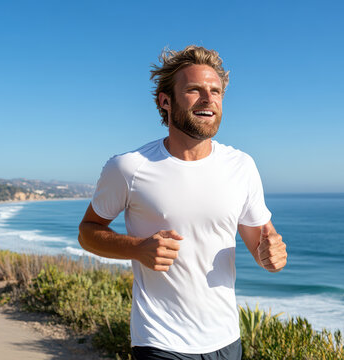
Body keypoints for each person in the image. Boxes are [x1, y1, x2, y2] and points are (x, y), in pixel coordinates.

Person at [77, 45, 287, 360]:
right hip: (159, 341)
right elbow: (88, 231)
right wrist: (136, 249)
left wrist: (273, 254)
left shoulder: (241, 166)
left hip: (226, 341)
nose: (208, 99)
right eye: (194, 90)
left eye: (216, 91)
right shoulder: (129, 167)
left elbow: (262, 245)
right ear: (165, 101)